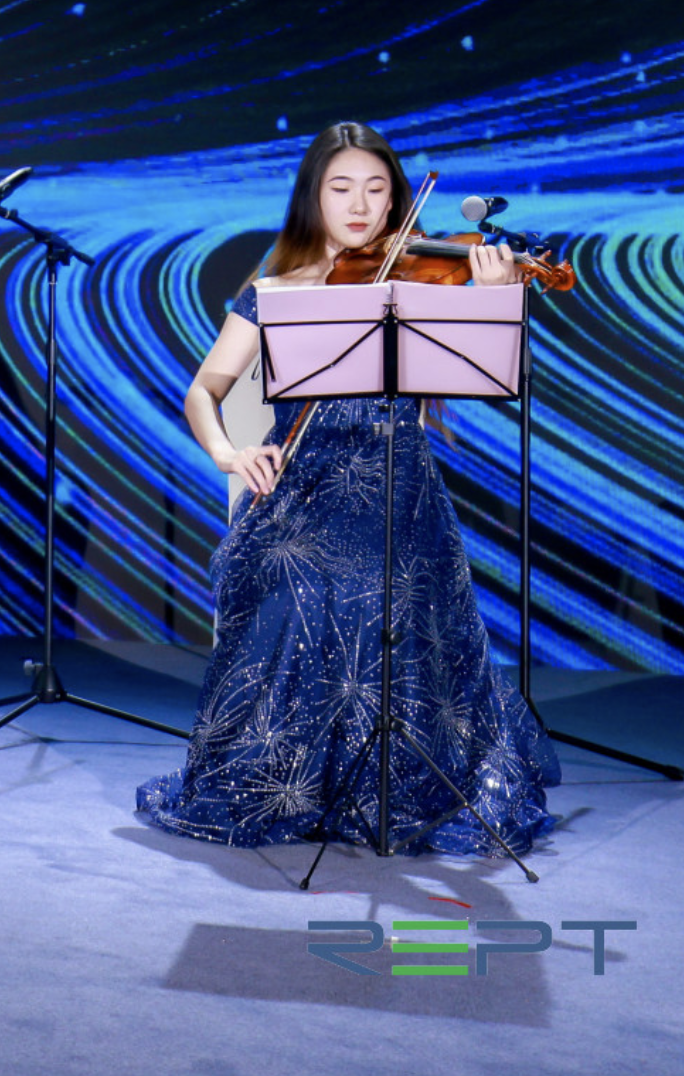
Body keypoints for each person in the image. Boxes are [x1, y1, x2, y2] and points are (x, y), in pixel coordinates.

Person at [137, 122, 558, 855]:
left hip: (398, 489)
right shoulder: (274, 291)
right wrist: (230, 453)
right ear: (313, 198)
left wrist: (494, 303)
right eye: (340, 188)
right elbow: (203, 391)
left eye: (375, 188)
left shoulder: (418, 283)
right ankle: (297, 777)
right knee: (294, 580)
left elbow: (486, 379)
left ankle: (386, 776)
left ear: (396, 200)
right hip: (299, 491)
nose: (359, 205)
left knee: (392, 592)